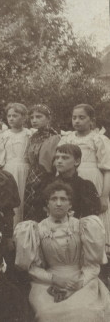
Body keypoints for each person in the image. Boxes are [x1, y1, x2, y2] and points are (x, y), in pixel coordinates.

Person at [14, 181, 110, 321]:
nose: (58, 203)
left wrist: (81, 282)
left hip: (80, 279)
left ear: (70, 204)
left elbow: (93, 265)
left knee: (86, 311)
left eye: (63, 199)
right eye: (54, 199)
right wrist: (54, 279)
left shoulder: (83, 226)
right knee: (47, 313)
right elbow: (32, 268)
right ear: (47, 203)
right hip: (47, 281)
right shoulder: (35, 229)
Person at [58, 103, 110, 249]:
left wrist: (104, 196)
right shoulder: (67, 138)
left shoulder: (98, 139)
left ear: (91, 120)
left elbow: (107, 170)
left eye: (82, 117)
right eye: (74, 117)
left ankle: (98, 252)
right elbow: (59, 163)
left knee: (94, 217)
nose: (77, 121)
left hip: (93, 181)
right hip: (70, 181)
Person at [26, 144, 101, 221]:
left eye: (65, 158)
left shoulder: (85, 186)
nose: (59, 161)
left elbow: (90, 216)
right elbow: (39, 212)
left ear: (77, 161)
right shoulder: (47, 183)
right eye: (57, 157)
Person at [0, 103, 32, 224]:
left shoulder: (30, 134)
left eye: (15, 115)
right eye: (9, 116)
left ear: (24, 117)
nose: (11, 118)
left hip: (26, 170)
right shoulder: (3, 136)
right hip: (8, 171)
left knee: (25, 199)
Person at [23, 104, 60, 221]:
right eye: (32, 117)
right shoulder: (32, 137)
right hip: (31, 177)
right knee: (29, 209)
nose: (34, 120)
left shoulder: (54, 137)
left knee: (43, 209)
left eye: (39, 117)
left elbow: (55, 161)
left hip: (46, 177)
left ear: (48, 118)